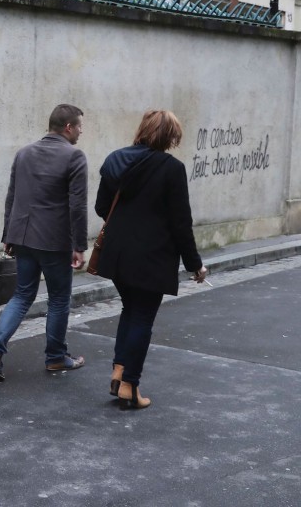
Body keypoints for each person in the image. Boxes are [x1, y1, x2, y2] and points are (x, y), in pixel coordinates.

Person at [93, 110, 208, 410]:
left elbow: (101, 206)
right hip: (152, 256)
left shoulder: (116, 159)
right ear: (169, 137)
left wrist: (126, 226)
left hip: (118, 254)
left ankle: (119, 371)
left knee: (130, 310)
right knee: (142, 316)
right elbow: (181, 222)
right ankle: (130, 385)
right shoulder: (172, 168)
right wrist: (195, 264)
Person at [0, 104, 88, 381]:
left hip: (23, 237)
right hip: (54, 242)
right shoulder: (74, 156)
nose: (81, 131)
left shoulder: (24, 153)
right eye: (79, 126)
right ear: (68, 127)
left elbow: (12, 196)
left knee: (22, 295)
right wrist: (79, 246)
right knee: (59, 298)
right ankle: (55, 357)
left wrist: (8, 234)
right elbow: (77, 206)